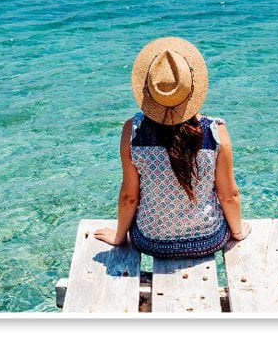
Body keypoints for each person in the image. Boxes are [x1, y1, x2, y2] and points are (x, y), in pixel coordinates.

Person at [93, 36, 251, 257]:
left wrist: (119, 238)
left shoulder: (133, 130)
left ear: (148, 89)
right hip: (208, 239)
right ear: (192, 88)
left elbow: (130, 196)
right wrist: (237, 231)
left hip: (150, 241)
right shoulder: (216, 131)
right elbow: (228, 196)